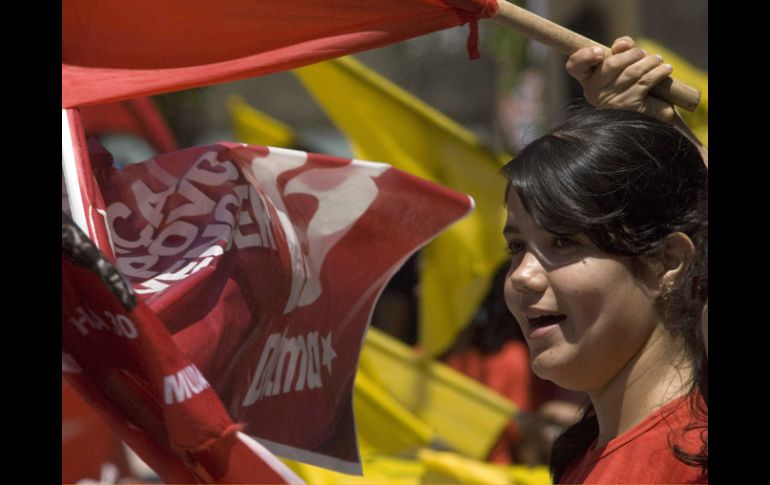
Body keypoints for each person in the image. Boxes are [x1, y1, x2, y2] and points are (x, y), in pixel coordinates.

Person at [499, 97, 708, 485]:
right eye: (517, 248)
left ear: (668, 261)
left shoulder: (695, 465)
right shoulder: (585, 457)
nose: (521, 276)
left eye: (564, 241)